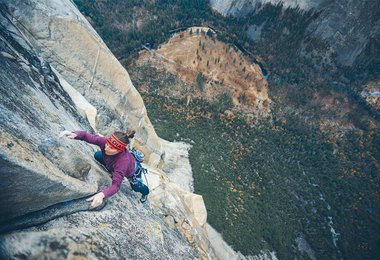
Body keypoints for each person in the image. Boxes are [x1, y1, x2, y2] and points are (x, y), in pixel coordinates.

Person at [59, 129, 149, 208]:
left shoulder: (123, 162)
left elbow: (116, 186)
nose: (106, 148)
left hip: (133, 171)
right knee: (98, 155)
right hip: (112, 163)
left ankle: (145, 193)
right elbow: (87, 136)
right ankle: (113, 170)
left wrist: (102, 194)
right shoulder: (106, 142)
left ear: (119, 150)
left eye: (111, 148)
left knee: (136, 187)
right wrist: (74, 134)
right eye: (107, 144)